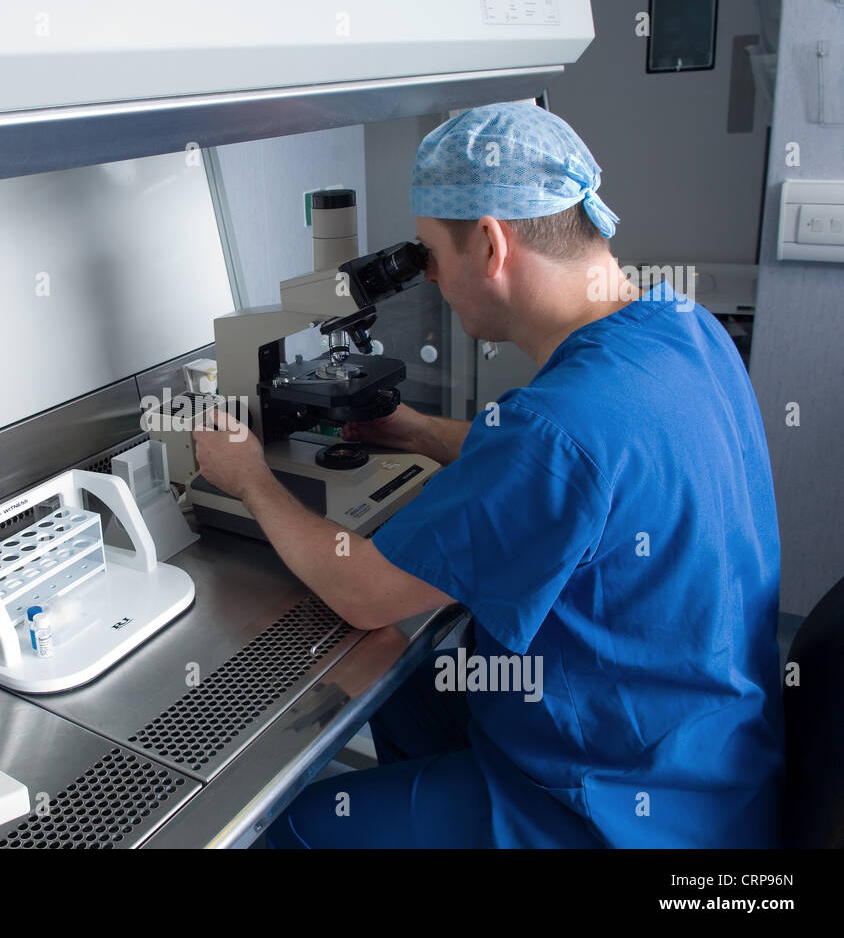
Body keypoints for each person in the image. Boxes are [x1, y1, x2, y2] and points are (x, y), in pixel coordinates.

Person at [192, 101, 784, 847]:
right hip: (710, 761)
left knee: (291, 828)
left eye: (430, 255)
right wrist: (416, 430)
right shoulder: (683, 327)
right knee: (403, 692)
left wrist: (247, 475)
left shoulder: (559, 430)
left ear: (492, 245)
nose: (430, 278)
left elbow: (364, 592)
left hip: (613, 809)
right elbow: (588, 474)